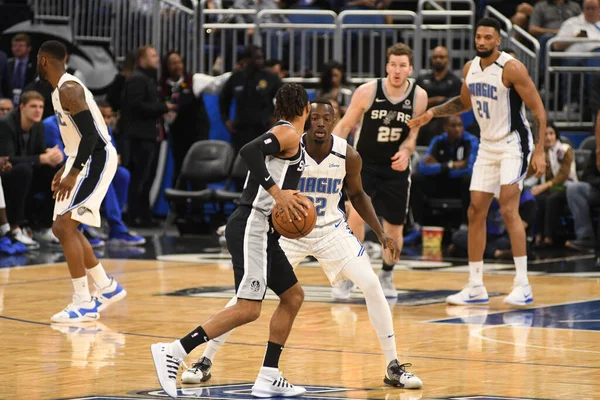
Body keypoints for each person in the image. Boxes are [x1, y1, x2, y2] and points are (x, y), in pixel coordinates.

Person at [180, 99, 423, 390]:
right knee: (245, 296)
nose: (320, 123)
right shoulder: (290, 148)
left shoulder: (348, 155)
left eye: (327, 118)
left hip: (332, 232)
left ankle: (393, 366)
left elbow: (358, 196)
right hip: (286, 234)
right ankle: (205, 360)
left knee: (372, 284)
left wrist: (381, 233)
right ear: (307, 120)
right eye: (315, 117)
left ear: (335, 122)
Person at [151, 83, 312, 399]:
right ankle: (175, 350)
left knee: (293, 296)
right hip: (251, 225)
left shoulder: (292, 137)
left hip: (265, 231)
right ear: (306, 107)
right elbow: (248, 150)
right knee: (248, 309)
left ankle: (268, 374)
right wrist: (277, 194)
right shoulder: (288, 133)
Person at [408, 18, 547, 306]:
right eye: (478, 37)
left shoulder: (512, 68)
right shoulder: (470, 68)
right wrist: (432, 113)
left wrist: (541, 150)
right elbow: (463, 102)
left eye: (488, 37)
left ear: (498, 40)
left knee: (509, 209)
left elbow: (538, 109)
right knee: (474, 212)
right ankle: (475, 285)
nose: (481, 41)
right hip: (487, 145)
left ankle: (523, 284)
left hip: (513, 144)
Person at [36, 40, 126, 322]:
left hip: (95, 158)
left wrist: (74, 172)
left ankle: (83, 302)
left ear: (43, 60)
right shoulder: (59, 90)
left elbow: (91, 137)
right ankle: (106, 286)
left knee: (64, 225)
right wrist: (65, 167)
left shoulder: (68, 88)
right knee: (65, 230)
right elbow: (78, 138)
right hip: (81, 158)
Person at [332, 43, 428, 298]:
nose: (397, 70)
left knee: (393, 228)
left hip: (395, 168)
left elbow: (413, 135)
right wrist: (326, 153)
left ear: (411, 68)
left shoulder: (419, 97)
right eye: (393, 65)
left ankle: (386, 273)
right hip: (364, 164)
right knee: (355, 216)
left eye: (402, 65)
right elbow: (344, 126)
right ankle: (352, 275)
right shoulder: (367, 91)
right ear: (387, 67)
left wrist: (407, 151)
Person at [0, 90, 64, 248]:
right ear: (22, 107)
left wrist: (52, 155)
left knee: (57, 174)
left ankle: (43, 226)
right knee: (24, 171)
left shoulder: (38, 126)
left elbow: (41, 153)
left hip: (26, 172)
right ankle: (15, 227)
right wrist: (41, 158)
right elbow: (7, 159)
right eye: (33, 106)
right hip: (7, 176)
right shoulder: (5, 124)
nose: (38, 110)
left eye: (41, 107)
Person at [121, 46, 175, 227]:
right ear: (142, 60)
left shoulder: (147, 79)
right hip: (139, 137)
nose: (157, 58)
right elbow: (135, 106)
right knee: (139, 177)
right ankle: (133, 215)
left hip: (149, 136)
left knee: (147, 177)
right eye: (153, 55)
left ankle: (143, 215)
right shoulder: (137, 79)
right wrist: (163, 107)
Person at [410, 115, 478, 230]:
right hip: (440, 183)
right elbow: (422, 167)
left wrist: (438, 166)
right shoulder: (438, 141)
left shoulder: (470, 141)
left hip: (459, 185)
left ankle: (465, 225)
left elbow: (469, 168)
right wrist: (450, 165)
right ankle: (418, 225)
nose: (457, 129)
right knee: (416, 178)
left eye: (460, 125)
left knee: (468, 179)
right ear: (445, 127)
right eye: (453, 126)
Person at [219, 45, 282, 155]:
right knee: (241, 162)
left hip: (264, 129)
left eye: (262, 58)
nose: (261, 61)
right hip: (241, 129)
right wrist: (226, 120)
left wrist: (276, 117)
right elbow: (224, 99)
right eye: (257, 58)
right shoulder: (236, 77)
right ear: (247, 59)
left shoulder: (271, 78)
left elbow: (283, 99)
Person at [159, 51, 210, 185]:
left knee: (198, 174)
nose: (178, 66)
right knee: (179, 172)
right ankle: (177, 205)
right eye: (173, 63)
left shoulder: (193, 82)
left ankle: (197, 206)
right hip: (178, 137)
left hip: (197, 134)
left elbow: (216, 83)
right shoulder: (163, 87)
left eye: (180, 62)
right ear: (166, 66)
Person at [527, 122, 577, 248]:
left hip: (567, 187)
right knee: (536, 199)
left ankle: (549, 237)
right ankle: (537, 235)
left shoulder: (565, 149)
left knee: (551, 199)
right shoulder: (539, 152)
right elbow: (529, 173)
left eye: (551, 134)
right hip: (548, 188)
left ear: (556, 136)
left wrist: (544, 186)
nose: (549, 137)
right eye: (545, 135)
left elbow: (563, 175)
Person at [415, 46, 463, 145]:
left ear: (448, 59)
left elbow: (454, 105)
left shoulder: (455, 81)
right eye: (435, 57)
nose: (438, 60)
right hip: (423, 116)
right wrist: (438, 100)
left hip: (444, 119)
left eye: (441, 57)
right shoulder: (421, 79)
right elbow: (415, 102)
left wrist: (429, 102)